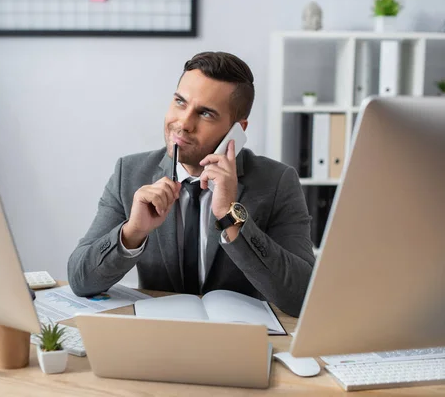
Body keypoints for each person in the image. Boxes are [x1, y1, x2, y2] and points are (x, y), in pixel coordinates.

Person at [68, 51, 314, 317]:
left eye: (206, 113)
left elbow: (303, 297)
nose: (183, 123)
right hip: (158, 338)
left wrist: (231, 216)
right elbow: (81, 281)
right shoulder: (129, 173)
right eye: (180, 102)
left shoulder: (277, 182)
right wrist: (133, 232)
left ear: (237, 129)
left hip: (239, 342)